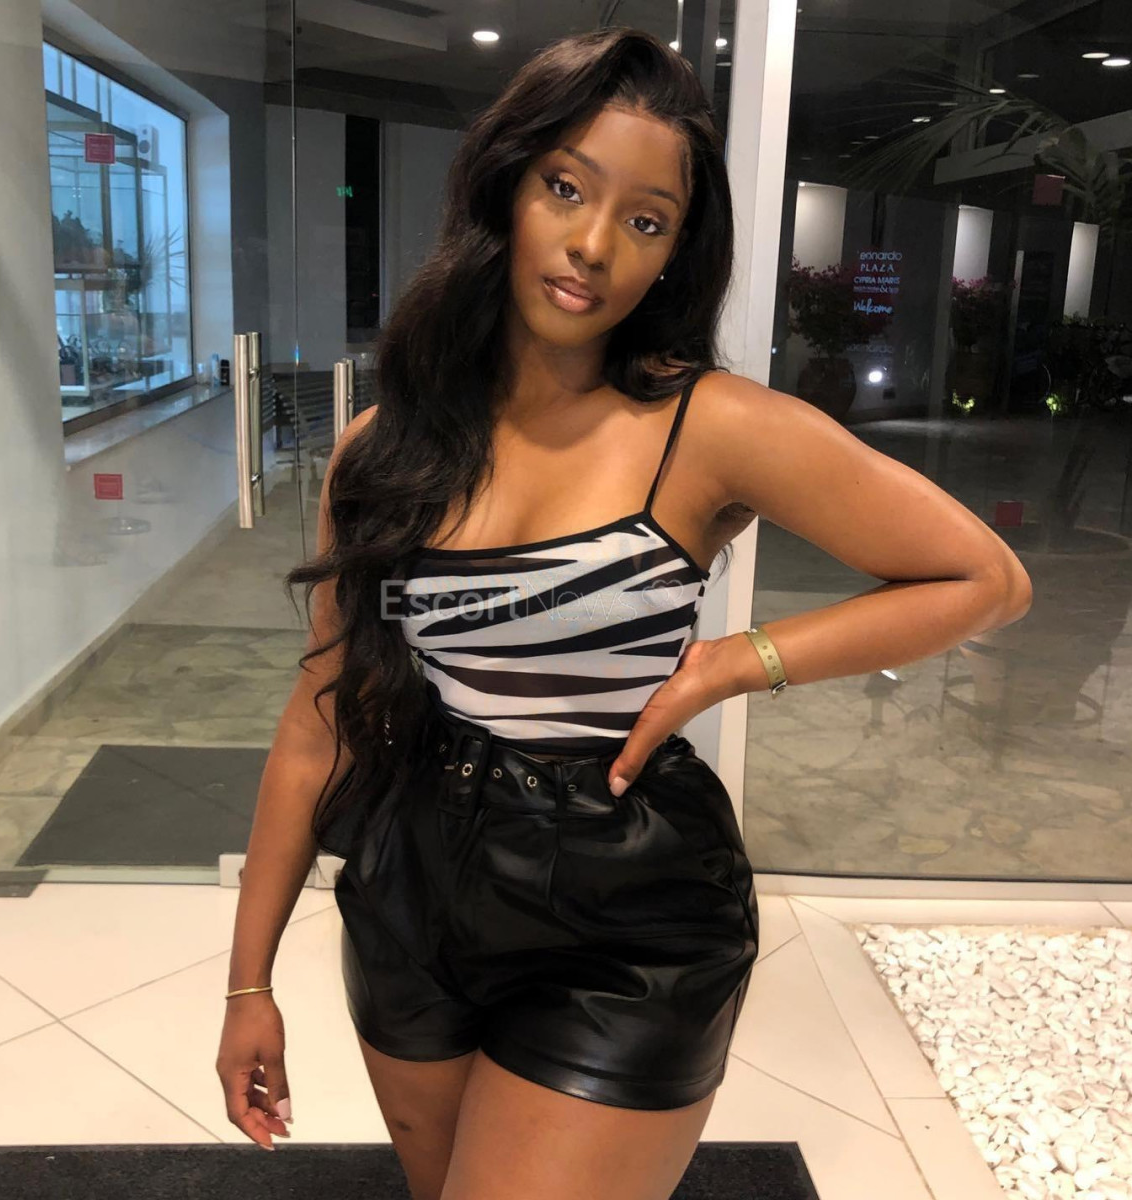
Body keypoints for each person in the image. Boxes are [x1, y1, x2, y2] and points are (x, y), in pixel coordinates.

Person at [215, 26, 1033, 1200]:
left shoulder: (710, 426)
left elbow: (984, 579)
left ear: (673, 254)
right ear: (506, 188)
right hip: (413, 890)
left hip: (628, 915)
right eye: (566, 188)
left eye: (646, 220)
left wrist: (731, 663)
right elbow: (317, 724)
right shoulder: (385, 450)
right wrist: (248, 983)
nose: (594, 245)